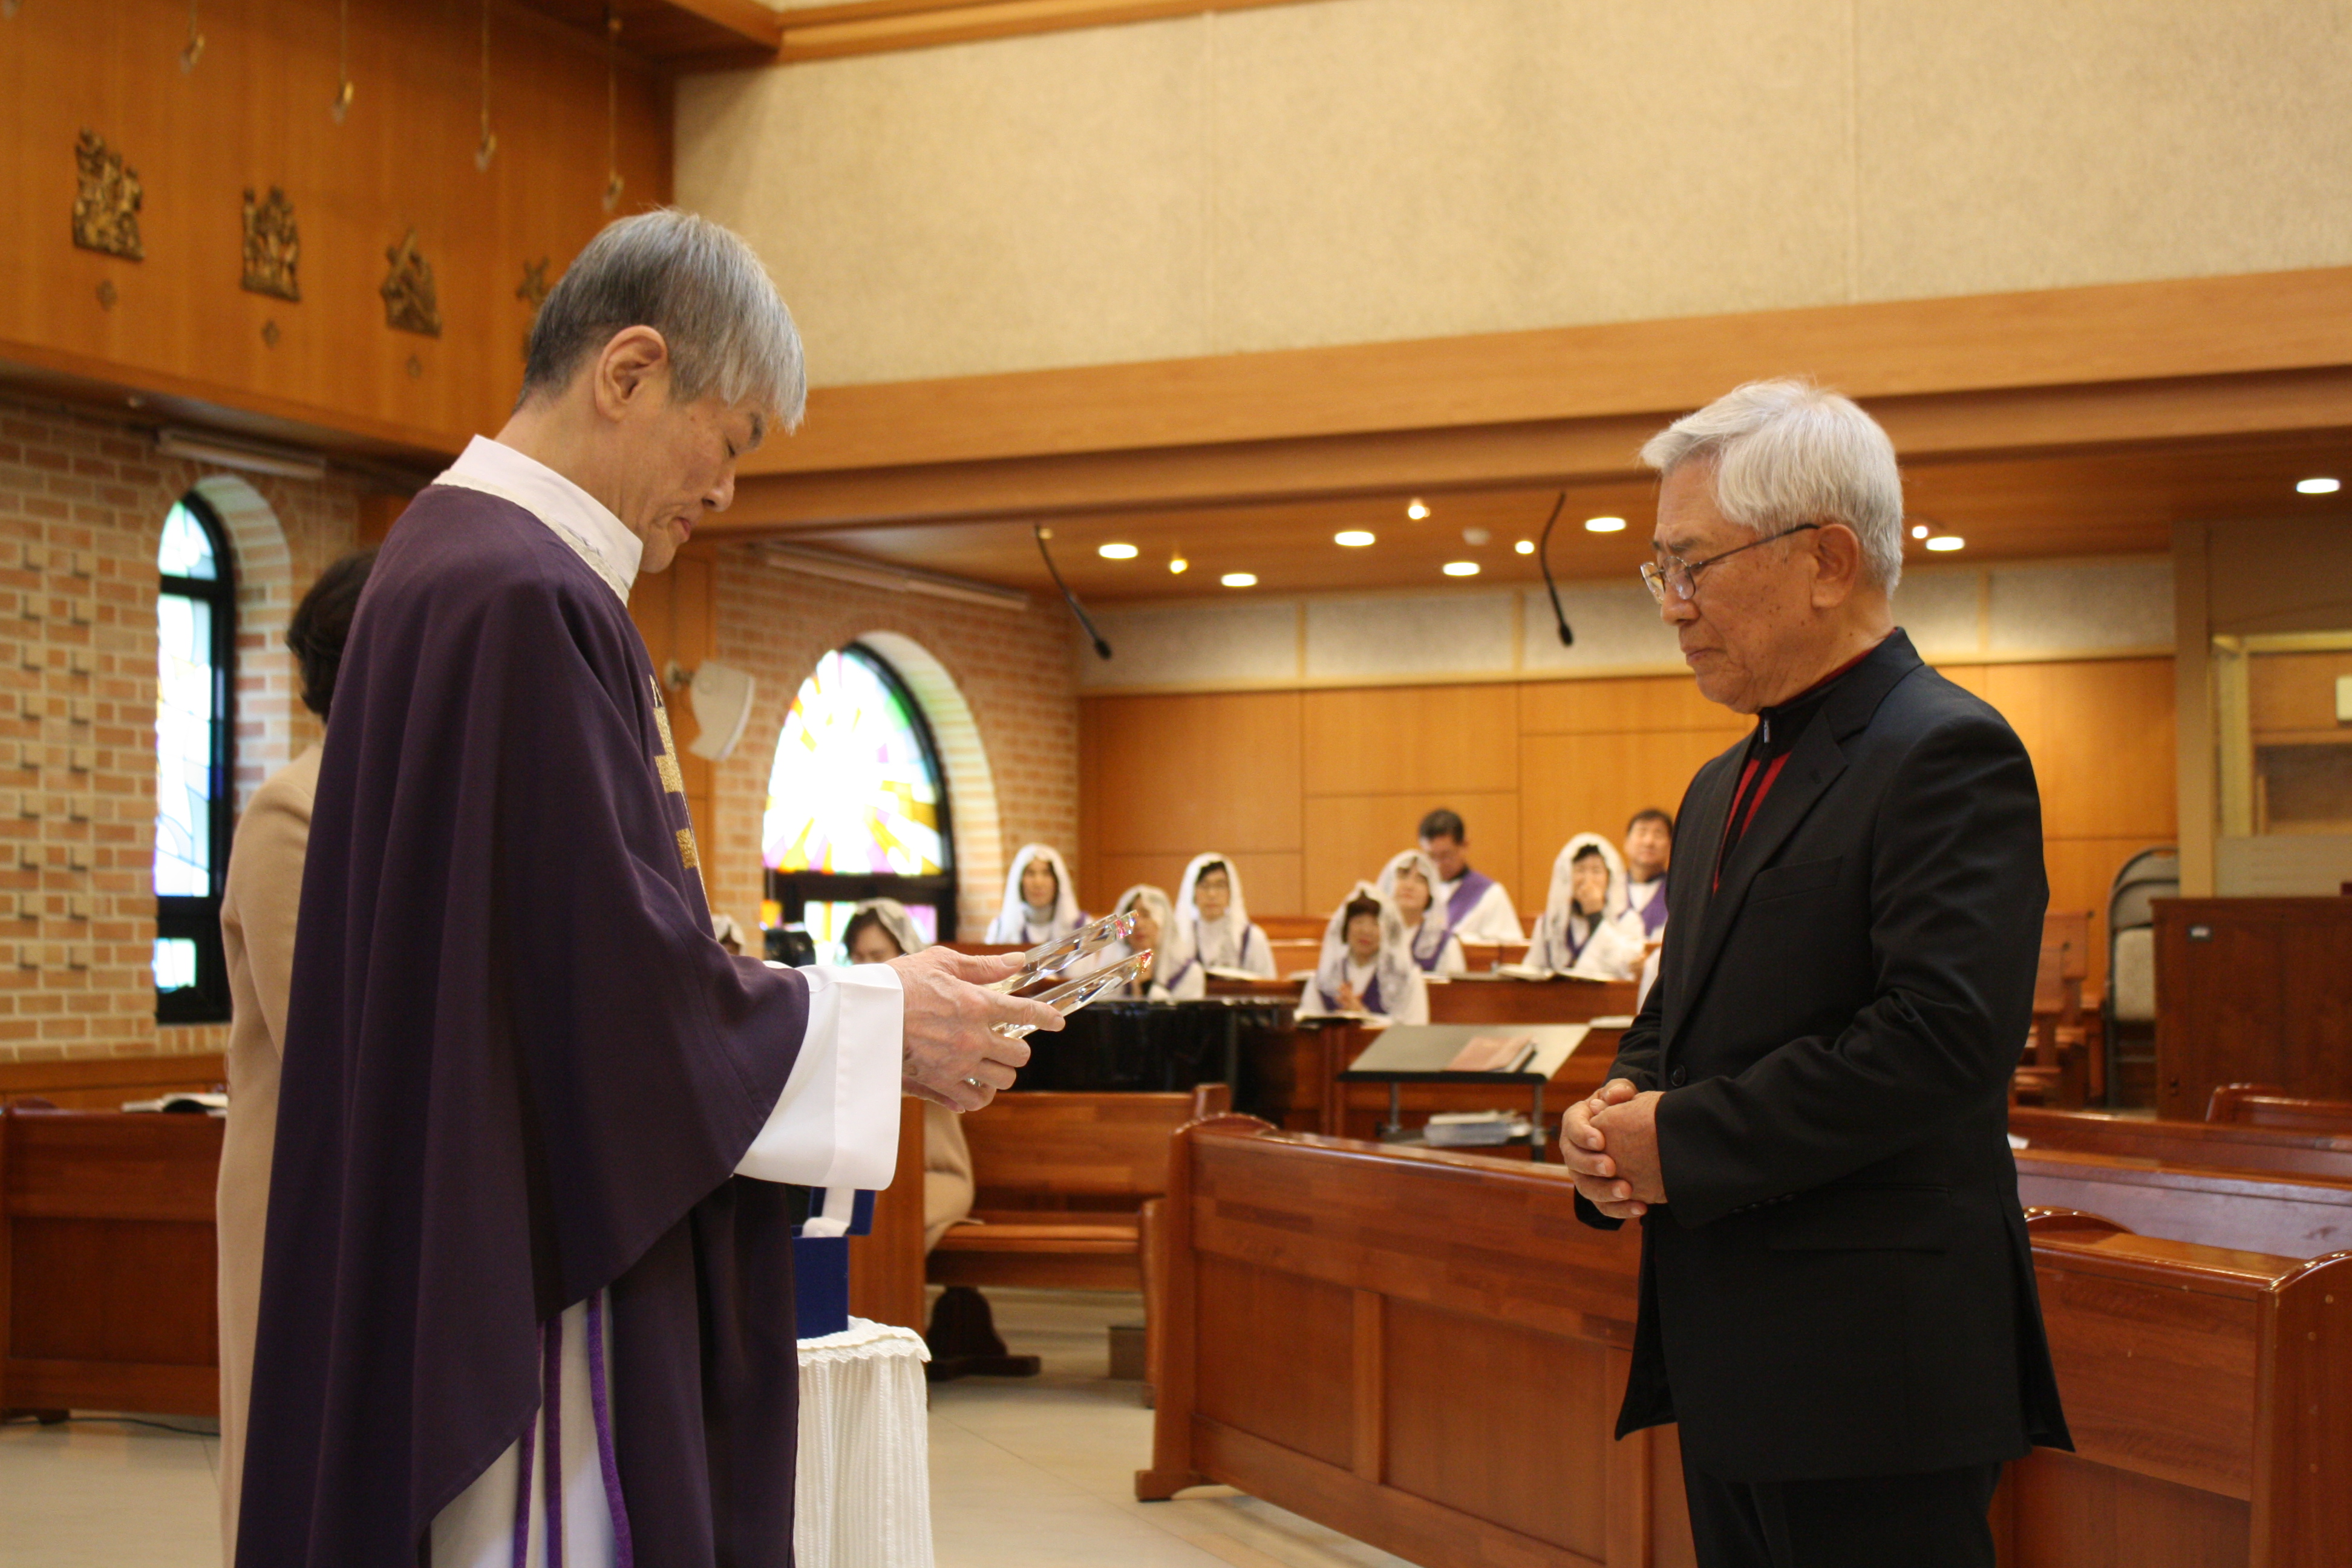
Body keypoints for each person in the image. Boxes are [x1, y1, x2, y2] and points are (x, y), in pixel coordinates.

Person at [237, 211, 1063, 1568]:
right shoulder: (520, 595)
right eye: (727, 441)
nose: (726, 490)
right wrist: (873, 1017)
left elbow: (562, 955)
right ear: (629, 372)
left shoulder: (458, 566)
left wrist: (851, 1005)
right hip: (530, 1281)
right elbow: (603, 1002)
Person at [1560, 379, 2068, 1568]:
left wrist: (1678, 1142)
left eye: (1694, 564)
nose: (1672, 604)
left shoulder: (1944, 749)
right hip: (1733, 1345)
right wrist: (1618, 1109)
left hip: (1872, 1366)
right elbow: (1682, 1005)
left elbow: (1939, 1041)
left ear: (1828, 560)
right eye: (1659, 569)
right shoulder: (1718, 783)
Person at [215, 549, 374, 1563]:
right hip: (308, 1187)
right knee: (302, 1458)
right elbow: (327, 1032)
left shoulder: (426, 798)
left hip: (398, 1185)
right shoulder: (295, 807)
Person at [843, 900, 975, 1252]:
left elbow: (945, 1161)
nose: (867, 968)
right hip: (862, 1179)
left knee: (881, 1220)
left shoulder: (936, 1032)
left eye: (878, 955)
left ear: (905, 957)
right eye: (858, 957)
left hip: (932, 1178)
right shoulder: (846, 1024)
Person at [1297, 883, 1428, 1025]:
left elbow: (1415, 1029)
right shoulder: (1326, 977)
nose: (1366, 931)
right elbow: (1306, 1022)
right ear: (1345, 927)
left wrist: (1363, 1016)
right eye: (1359, 922)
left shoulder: (1406, 977)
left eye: (1375, 924)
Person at [1527, 834, 1647, 981]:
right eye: (1580, 870)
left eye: (1596, 871)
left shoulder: (1628, 920)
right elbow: (1533, 970)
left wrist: (1595, 915)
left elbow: (1625, 968)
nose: (1588, 880)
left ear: (1609, 878)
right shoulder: (1551, 922)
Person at [1158, 853, 1275, 999]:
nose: (1212, 894)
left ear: (1231, 891)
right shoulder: (1179, 937)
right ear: (1192, 892)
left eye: (1220, 886)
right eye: (1204, 886)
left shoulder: (1252, 937)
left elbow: (1268, 989)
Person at [1417, 807, 1523, 944]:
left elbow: (1509, 946)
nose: (1438, 865)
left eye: (1446, 856)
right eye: (1431, 857)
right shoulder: (1419, 891)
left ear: (1464, 846)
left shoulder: (1491, 894)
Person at [1376, 849, 1466, 976]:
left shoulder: (1444, 944)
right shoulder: (1371, 933)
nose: (1409, 886)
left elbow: (1456, 987)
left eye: (1420, 880)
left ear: (1431, 893)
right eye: (1403, 876)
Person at [985, 842, 1085, 944]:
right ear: (1020, 881)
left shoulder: (1082, 927)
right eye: (1031, 873)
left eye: (1046, 873)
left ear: (1057, 881)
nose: (1038, 883)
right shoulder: (1000, 930)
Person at [1100, 883, 1174, 1000]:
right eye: (1131, 919)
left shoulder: (1186, 972)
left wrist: (1147, 986)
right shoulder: (1113, 974)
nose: (1138, 925)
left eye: (1146, 915)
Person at [1621, 808, 1673, 938]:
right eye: (1642, 833)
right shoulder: (1609, 889)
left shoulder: (1676, 891)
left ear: (1671, 845)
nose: (1649, 842)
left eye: (1658, 834)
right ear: (1626, 842)